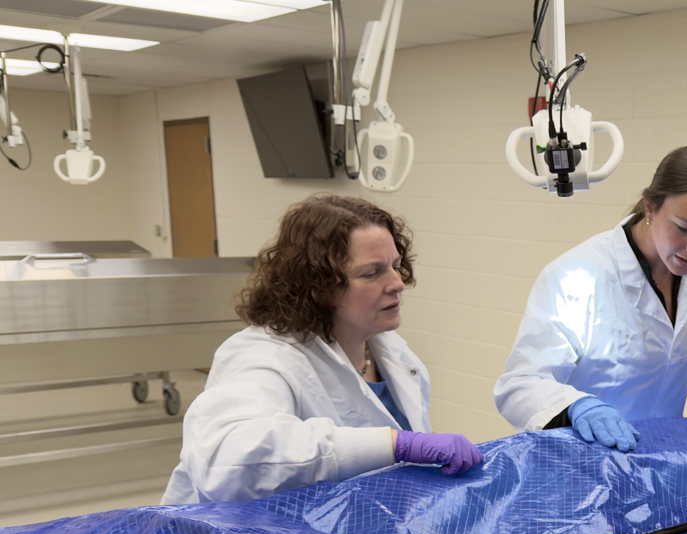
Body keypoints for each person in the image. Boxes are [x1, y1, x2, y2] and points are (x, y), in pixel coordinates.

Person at [161, 194, 481, 505]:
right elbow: (227, 461)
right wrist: (395, 444)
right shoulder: (262, 356)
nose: (397, 282)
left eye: (396, 265)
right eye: (371, 273)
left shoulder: (391, 352)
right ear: (318, 287)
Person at [494, 146, 687, 451]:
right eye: (684, 228)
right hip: (585, 461)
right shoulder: (578, 276)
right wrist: (578, 406)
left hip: (660, 460)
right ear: (649, 208)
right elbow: (520, 383)